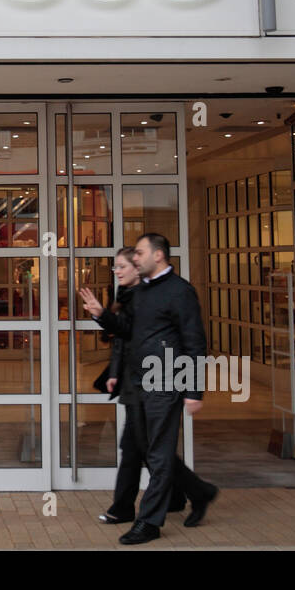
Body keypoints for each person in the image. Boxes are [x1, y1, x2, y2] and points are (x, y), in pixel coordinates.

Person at [107, 233, 219, 544]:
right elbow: (128, 332)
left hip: (166, 382)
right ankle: (200, 492)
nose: (136, 258)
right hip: (139, 383)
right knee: (148, 450)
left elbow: (195, 343)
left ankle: (150, 522)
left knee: (158, 453)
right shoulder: (142, 291)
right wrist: (102, 316)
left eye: (140, 253)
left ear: (158, 256)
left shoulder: (180, 292)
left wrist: (194, 391)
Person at [79, 247, 186, 525]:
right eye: (115, 267)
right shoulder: (127, 295)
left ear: (138, 268)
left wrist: (103, 314)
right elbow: (120, 340)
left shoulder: (150, 298)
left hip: (151, 382)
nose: (116, 271)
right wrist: (115, 370)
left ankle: (133, 507)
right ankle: (179, 495)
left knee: (141, 447)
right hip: (132, 382)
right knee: (139, 447)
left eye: (122, 266)